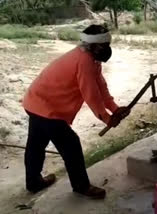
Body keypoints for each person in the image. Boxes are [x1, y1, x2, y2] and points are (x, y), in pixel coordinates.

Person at [22, 25, 130, 199]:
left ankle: (34, 183)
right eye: (104, 45)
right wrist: (107, 118)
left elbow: (100, 87)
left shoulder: (92, 59)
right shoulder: (84, 61)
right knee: (70, 145)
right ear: (93, 46)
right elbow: (91, 95)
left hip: (36, 101)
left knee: (36, 145)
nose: (107, 49)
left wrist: (115, 109)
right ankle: (81, 186)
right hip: (45, 106)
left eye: (108, 44)